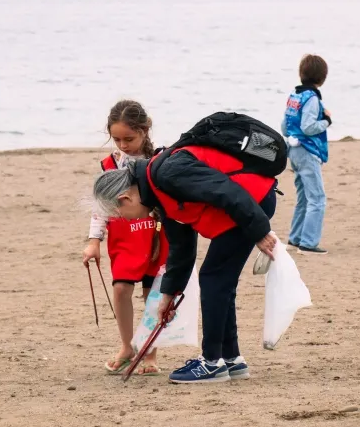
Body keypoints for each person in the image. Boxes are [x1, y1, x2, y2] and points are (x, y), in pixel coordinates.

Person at [92, 124, 278, 384]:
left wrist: (259, 231)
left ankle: (211, 363)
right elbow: (181, 247)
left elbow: (226, 190)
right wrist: (169, 295)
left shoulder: (168, 173)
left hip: (251, 202)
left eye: (119, 214)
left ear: (125, 198)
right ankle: (231, 358)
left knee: (213, 278)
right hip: (248, 206)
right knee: (220, 280)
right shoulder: (158, 192)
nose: (125, 219)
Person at [82, 100, 168, 376]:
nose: (123, 145)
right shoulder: (109, 165)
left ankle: (150, 352)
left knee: (152, 294)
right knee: (121, 289)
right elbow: (101, 207)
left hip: (155, 233)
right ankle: (127, 346)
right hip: (122, 236)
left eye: (129, 139)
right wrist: (94, 241)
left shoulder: (160, 159)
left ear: (145, 131)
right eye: (117, 139)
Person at [282, 54, 331, 254]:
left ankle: (295, 238)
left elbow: (285, 126)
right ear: (322, 78)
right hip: (307, 150)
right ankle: (308, 243)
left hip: (293, 149)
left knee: (303, 196)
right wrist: (326, 121)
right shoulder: (312, 99)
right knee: (317, 198)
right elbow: (308, 127)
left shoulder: (294, 96)